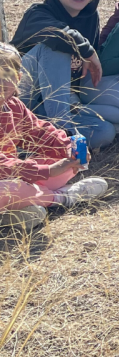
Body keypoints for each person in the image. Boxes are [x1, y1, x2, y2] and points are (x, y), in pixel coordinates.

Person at [12, 0, 119, 150]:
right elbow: (58, 34)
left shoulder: (90, 17)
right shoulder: (37, 13)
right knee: (57, 46)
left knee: (104, 132)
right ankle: (62, 131)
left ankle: (29, 141)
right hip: (18, 98)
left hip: (48, 105)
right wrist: (87, 49)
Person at [0, 43, 109, 231]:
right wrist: (47, 171)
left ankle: (19, 211)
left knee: (63, 162)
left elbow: (39, 132)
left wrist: (68, 149)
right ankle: (63, 197)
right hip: (8, 181)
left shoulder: (13, 106)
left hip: (15, 175)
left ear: (18, 79)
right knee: (13, 188)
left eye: (6, 76)